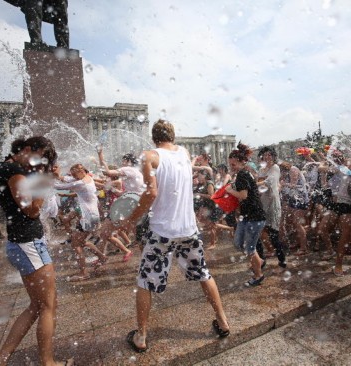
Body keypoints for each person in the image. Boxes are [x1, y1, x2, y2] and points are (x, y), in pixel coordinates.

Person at [118, 120, 230, 353]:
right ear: (173, 136)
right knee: (203, 274)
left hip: (162, 231)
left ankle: (141, 336)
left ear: (153, 137)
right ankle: (222, 321)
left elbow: (151, 192)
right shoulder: (184, 152)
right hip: (188, 228)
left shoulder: (149, 155)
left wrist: (130, 220)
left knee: (145, 282)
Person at [0, 136, 69, 366]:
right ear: (26, 149)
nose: (37, 166)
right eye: (38, 159)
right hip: (27, 244)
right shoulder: (14, 170)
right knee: (46, 306)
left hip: (26, 243)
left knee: (39, 306)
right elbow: (32, 211)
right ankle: (48, 362)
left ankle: (1, 359)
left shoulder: (10, 169)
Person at [226, 143, 267, 285]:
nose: (232, 167)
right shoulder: (243, 173)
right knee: (238, 243)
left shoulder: (243, 174)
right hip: (248, 215)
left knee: (250, 248)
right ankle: (259, 261)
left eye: (233, 164)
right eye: (230, 165)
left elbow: (243, 195)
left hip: (255, 216)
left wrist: (230, 191)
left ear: (242, 162)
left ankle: (258, 275)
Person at [256, 146, 286, 267]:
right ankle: (261, 260)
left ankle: (282, 260)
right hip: (262, 203)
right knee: (259, 232)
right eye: (265, 155)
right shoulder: (262, 170)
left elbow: (269, 182)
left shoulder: (275, 168)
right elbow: (260, 186)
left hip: (272, 203)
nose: (267, 157)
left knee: (273, 234)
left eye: (269, 155)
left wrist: (253, 184)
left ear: (273, 156)